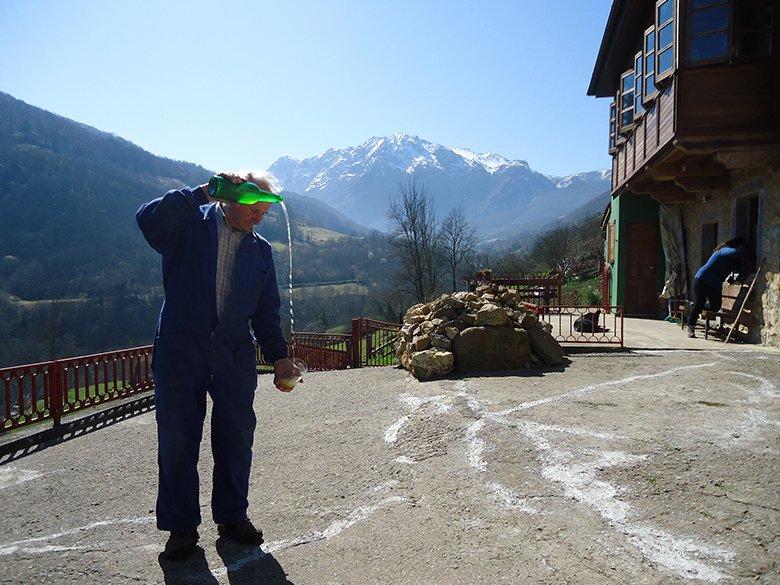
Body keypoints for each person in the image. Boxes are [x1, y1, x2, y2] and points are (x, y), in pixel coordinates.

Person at [136, 170, 300, 560]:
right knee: (178, 439)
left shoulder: (260, 252)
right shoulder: (190, 227)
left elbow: (266, 312)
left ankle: (231, 516)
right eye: (255, 210)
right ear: (233, 199)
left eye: (264, 212)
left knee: (236, 436)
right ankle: (181, 528)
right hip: (180, 348)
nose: (260, 218)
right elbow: (147, 219)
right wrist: (203, 192)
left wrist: (279, 356)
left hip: (232, 354)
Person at [687, 237, 748, 338]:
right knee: (700, 302)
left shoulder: (732, 262)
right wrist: (743, 252)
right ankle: (691, 328)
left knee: (715, 307)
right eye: (742, 248)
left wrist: (736, 277)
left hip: (714, 285)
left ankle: (695, 306)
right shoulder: (723, 251)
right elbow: (734, 252)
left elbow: (740, 273)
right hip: (702, 279)